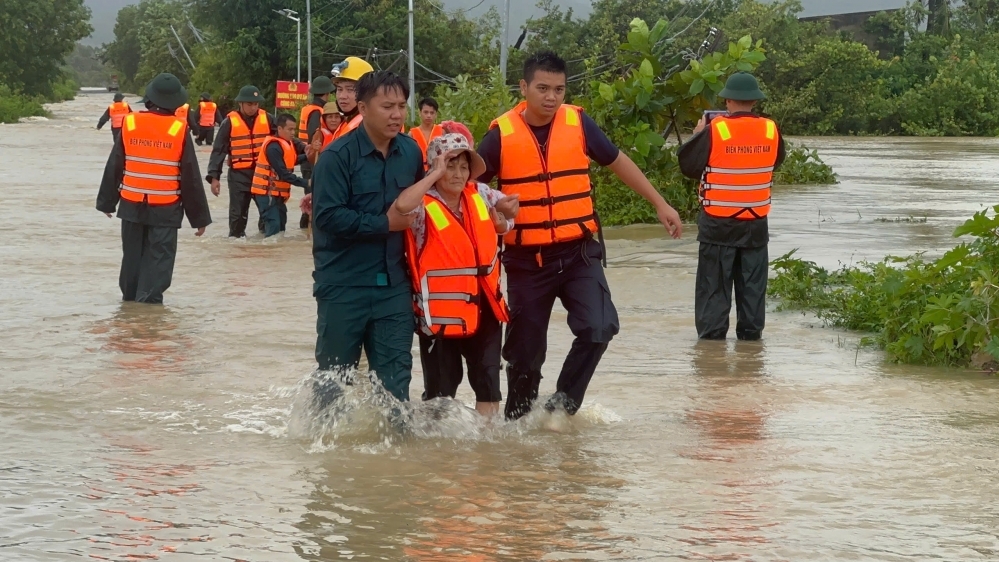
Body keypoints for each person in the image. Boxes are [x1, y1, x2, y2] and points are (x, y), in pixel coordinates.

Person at [476, 51, 684, 420]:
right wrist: (493, 215)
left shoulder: (578, 123)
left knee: (600, 327)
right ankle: (517, 433)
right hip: (527, 261)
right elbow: (468, 189)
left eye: (558, 89)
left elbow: (618, 161)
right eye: (542, 88)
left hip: (579, 253)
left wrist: (660, 203)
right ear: (524, 87)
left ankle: (562, 405)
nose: (551, 97)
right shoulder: (499, 137)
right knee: (525, 356)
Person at [307, 71, 423, 406]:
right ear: (363, 108)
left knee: (395, 384)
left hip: (394, 288)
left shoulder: (411, 152)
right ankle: (328, 456)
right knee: (334, 381)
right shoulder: (336, 157)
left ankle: (392, 455)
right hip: (344, 287)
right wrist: (384, 223)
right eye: (387, 106)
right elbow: (326, 217)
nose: (397, 114)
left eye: (401, 105)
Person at [394, 131, 519, 417]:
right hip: (439, 314)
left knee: (488, 383)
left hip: (484, 304)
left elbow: (509, 212)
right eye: (450, 166)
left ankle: (484, 452)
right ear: (435, 167)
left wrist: (506, 219)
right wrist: (432, 174)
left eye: (464, 167)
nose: (458, 174)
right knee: (441, 392)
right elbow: (401, 206)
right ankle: (440, 457)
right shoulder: (423, 205)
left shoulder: (480, 194)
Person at [678, 72, 786, 341]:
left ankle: (712, 354)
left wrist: (696, 136)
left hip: (718, 226)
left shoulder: (715, 130)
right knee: (752, 294)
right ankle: (750, 349)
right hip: (756, 227)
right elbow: (777, 160)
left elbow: (688, 167)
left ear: (727, 101)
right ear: (755, 102)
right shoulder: (771, 129)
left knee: (713, 293)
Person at [95, 73, 212, 304]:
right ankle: (147, 312)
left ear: (149, 98)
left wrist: (107, 202)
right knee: (159, 261)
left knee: (132, 258)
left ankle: (130, 308)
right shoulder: (179, 130)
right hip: (165, 209)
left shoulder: (131, 123)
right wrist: (199, 218)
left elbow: (115, 165)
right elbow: (190, 177)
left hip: (130, 206)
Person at [206, 85, 275, 238]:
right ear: (241, 104)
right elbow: (219, 150)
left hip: (262, 175)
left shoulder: (268, 119)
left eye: (256, 104)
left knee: (269, 215)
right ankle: (236, 248)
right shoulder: (229, 122)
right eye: (249, 104)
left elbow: (283, 141)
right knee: (238, 218)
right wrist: (214, 177)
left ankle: (266, 247)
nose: (253, 107)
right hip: (239, 176)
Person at [250, 114, 313, 237]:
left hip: (277, 195)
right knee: (274, 227)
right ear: (279, 129)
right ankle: (268, 252)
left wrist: (308, 155)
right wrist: (307, 182)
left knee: (281, 228)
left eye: (294, 129)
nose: (293, 133)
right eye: (289, 129)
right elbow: (284, 174)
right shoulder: (273, 147)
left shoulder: (286, 144)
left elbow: (292, 161)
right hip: (267, 193)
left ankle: (273, 252)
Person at [297, 76, 336, 230]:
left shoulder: (309, 108)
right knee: (312, 198)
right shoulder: (317, 112)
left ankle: (306, 228)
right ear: (327, 93)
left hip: (307, 158)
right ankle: (307, 228)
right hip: (312, 159)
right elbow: (315, 134)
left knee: (311, 196)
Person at [330, 56, 374, 140]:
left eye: (350, 90)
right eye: (339, 89)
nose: (342, 96)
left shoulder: (367, 129)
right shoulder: (349, 121)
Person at [409, 98, 443, 169]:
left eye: (432, 113)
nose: (429, 115)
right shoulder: (412, 133)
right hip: (418, 171)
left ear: (436, 114)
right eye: (426, 112)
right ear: (419, 113)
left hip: (437, 171)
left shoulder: (442, 131)